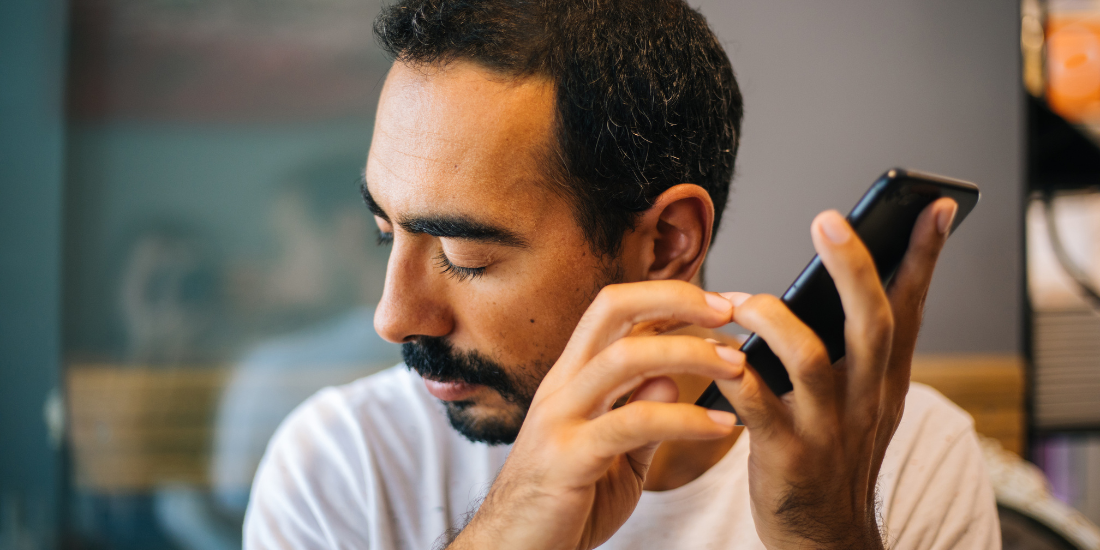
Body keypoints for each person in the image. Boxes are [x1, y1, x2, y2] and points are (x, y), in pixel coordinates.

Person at [244, 1, 1001, 548]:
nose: (394, 315)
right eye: (387, 234)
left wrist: (825, 536)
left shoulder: (904, 462)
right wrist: (510, 530)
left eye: (466, 255)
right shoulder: (342, 464)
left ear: (668, 242)